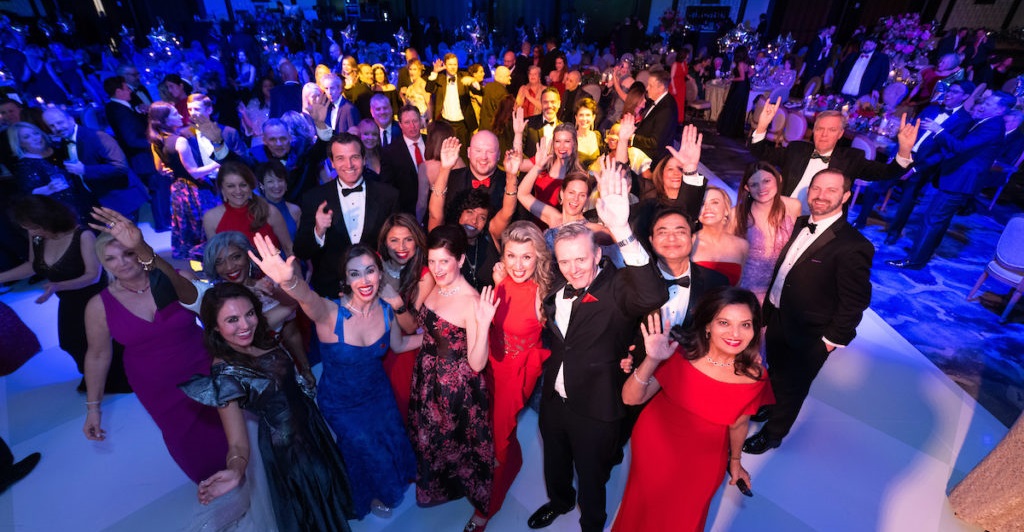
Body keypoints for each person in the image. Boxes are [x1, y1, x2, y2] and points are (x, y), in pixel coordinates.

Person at [527, 168, 668, 532]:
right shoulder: (557, 280)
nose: (573, 269)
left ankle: (592, 524)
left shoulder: (618, 287)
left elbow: (654, 295)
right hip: (554, 399)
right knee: (554, 462)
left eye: (581, 260)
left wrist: (621, 230)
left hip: (597, 407)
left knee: (593, 478)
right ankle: (559, 501)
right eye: (564, 261)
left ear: (598, 255)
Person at [249, 236, 420, 519]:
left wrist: (437, 340)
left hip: (378, 394)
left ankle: (387, 483)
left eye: (369, 270)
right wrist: (288, 281)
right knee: (362, 444)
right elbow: (307, 297)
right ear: (345, 279)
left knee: (389, 437)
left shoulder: (387, 309)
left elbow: (399, 345)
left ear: (380, 273)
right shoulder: (330, 314)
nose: (364, 280)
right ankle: (365, 495)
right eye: (355, 273)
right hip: (341, 403)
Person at [180, 282, 356, 531]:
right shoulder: (224, 373)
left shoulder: (259, 329)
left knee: (327, 485)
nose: (245, 325)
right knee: (310, 509)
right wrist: (236, 469)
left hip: (309, 424)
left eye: (249, 313)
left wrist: (273, 287)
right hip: (286, 449)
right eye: (232, 320)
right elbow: (238, 444)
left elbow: (292, 302)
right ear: (215, 328)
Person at [83, 208, 227, 483]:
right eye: (110, 259)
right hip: (155, 385)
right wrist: (93, 408)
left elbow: (215, 322)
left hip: (202, 366)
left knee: (226, 424)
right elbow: (98, 355)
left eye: (127, 253)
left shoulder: (178, 277)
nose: (122, 263)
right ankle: (211, 482)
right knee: (185, 440)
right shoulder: (99, 305)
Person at [614, 287, 772, 531]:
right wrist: (652, 359)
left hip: (704, 461)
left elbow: (739, 422)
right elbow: (631, 398)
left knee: (685, 518)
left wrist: (736, 461)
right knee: (642, 510)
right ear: (708, 326)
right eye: (724, 322)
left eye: (745, 325)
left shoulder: (755, 376)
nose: (735, 333)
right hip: (655, 446)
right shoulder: (681, 352)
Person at [743, 169, 874, 454]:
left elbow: (855, 300)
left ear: (846, 196)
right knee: (774, 372)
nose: (821, 196)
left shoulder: (854, 246)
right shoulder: (800, 223)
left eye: (831, 190)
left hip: (812, 335)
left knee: (792, 387)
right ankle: (768, 406)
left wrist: (830, 342)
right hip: (778, 316)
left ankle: (774, 433)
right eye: (816, 188)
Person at [408, 225, 499, 517]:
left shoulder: (471, 301)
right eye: (432, 261)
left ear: (460, 260)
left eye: (444, 261)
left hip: (453, 390)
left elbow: (476, 364)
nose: (437, 268)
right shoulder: (437, 283)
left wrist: (483, 324)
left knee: (454, 443)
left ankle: (459, 491)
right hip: (428, 374)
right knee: (431, 439)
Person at [468, 221, 553, 531]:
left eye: (527, 257)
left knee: (500, 438)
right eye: (512, 256)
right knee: (487, 426)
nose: (518, 265)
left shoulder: (544, 294)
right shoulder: (500, 278)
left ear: (538, 258)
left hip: (516, 375)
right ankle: (513, 458)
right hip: (489, 363)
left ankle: (486, 510)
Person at [0, 196, 128, 391]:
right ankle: (99, 376)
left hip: (96, 297)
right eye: (26, 227)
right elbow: (32, 266)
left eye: (33, 226)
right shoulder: (36, 237)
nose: (30, 231)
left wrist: (58, 286)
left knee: (106, 340)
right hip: (69, 298)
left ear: (48, 220)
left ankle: (121, 377)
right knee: (70, 342)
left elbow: (92, 276)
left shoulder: (83, 235)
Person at [888, 91, 1013, 269]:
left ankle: (914, 260)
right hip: (959, 179)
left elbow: (961, 147)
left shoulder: (993, 125)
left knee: (932, 219)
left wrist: (938, 131)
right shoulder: (989, 122)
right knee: (939, 220)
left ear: (1001, 109)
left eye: (990, 103)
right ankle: (923, 253)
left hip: (961, 180)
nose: (984, 104)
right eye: (985, 101)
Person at [750, 99, 918, 213]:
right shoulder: (796, 149)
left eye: (831, 130)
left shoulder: (851, 159)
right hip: (785, 214)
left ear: (840, 134)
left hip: (820, 225)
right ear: (813, 131)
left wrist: (904, 150)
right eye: (820, 129)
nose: (824, 135)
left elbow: (888, 172)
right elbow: (760, 153)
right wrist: (762, 126)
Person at [294, 132, 399, 298]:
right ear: (332, 163)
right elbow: (301, 251)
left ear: (364, 159)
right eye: (340, 158)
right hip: (331, 293)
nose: (349, 164)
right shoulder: (314, 198)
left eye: (354, 157)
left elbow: (395, 245)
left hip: (377, 290)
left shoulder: (388, 195)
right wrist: (318, 231)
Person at [41, 107, 149, 221]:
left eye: (60, 122)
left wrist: (85, 170)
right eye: (52, 126)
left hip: (122, 198)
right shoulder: (64, 141)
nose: (57, 128)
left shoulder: (98, 137)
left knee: (130, 236)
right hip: (102, 202)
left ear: (71, 120)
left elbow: (120, 167)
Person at [378, 213, 432, 422]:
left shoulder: (424, 275)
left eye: (408, 239)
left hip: (400, 352)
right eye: (394, 240)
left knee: (398, 412)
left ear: (417, 241)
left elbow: (411, 327)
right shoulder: (374, 262)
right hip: (370, 343)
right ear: (384, 242)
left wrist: (397, 303)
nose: (402, 246)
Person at [147, 101, 217, 259]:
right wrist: (217, 163)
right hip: (194, 191)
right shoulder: (180, 141)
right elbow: (195, 173)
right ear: (164, 120)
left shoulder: (156, 141)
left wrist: (172, 170)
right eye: (174, 114)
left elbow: (160, 169)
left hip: (177, 191)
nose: (180, 115)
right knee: (205, 227)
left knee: (187, 229)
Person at [735, 162, 801, 303]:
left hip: (783, 287)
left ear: (778, 179)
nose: (762, 188)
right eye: (754, 184)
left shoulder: (793, 206)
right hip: (749, 289)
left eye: (766, 181)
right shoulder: (737, 213)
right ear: (747, 188)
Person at [6, 122, 96, 224]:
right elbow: (28, 194)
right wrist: (48, 188)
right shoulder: (25, 165)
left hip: (88, 198)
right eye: (27, 137)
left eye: (36, 133)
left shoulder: (58, 147)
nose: (35, 138)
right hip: (66, 211)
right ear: (20, 143)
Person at [633, 123, 709, 241]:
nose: (676, 173)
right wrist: (623, 141)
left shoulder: (698, 202)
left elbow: (687, 213)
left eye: (681, 169)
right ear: (661, 174)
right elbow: (625, 178)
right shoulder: (649, 202)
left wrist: (689, 169)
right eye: (670, 169)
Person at [202, 161, 293, 255]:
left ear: (250, 186)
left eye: (243, 185)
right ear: (222, 189)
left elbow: (288, 248)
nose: (238, 191)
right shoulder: (211, 218)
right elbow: (215, 258)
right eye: (231, 186)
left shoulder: (270, 212)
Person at [692, 186, 749, 285]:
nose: (707, 208)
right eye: (702, 203)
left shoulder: (742, 246)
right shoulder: (689, 243)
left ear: (726, 210)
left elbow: (737, 287)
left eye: (714, 202)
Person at [380, 104, 427, 216]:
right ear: (400, 124)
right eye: (407, 122)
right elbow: (388, 187)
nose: (412, 126)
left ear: (420, 121)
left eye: (415, 121)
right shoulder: (390, 152)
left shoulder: (432, 142)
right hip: (407, 212)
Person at [425, 54, 478, 147]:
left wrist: (474, 82)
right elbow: (428, 89)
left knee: (463, 154)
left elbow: (479, 91)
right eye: (450, 64)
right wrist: (434, 72)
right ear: (445, 65)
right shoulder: (440, 78)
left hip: (463, 124)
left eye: (455, 64)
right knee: (446, 150)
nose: (453, 67)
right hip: (446, 123)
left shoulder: (464, 76)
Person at [255, 161, 301, 241]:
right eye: (270, 181)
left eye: (280, 180)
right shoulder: (256, 210)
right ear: (262, 185)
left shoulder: (295, 210)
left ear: (286, 183)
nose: (276, 185)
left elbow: (300, 242)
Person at [716, 45, 751, 138]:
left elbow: (742, 77)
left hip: (739, 87)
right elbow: (751, 73)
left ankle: (727, 130)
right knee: (738, 107)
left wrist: (731, 79)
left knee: (732, 106)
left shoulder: (740, 63)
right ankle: (734, 130)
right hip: (744, 87)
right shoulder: (746, 63)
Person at [574, 98, 603, 171]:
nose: (584, 118)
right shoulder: (570, 138)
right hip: (576, 179)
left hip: (596, 180)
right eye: (581, 115)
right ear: (576, 118)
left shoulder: (597, 136)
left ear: (593, 117)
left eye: (588, 115)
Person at [669, 48, 690, 125]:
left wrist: (690, 78)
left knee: (681, 104)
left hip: (682, 85)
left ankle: (679, 120)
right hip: (675, 85)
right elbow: (671, 77)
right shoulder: (675, 64)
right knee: (675, 104)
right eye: (687, 54)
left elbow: (685, 74)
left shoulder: (684, 63)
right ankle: (672, 120)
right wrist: (674, 88)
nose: (688, 56)